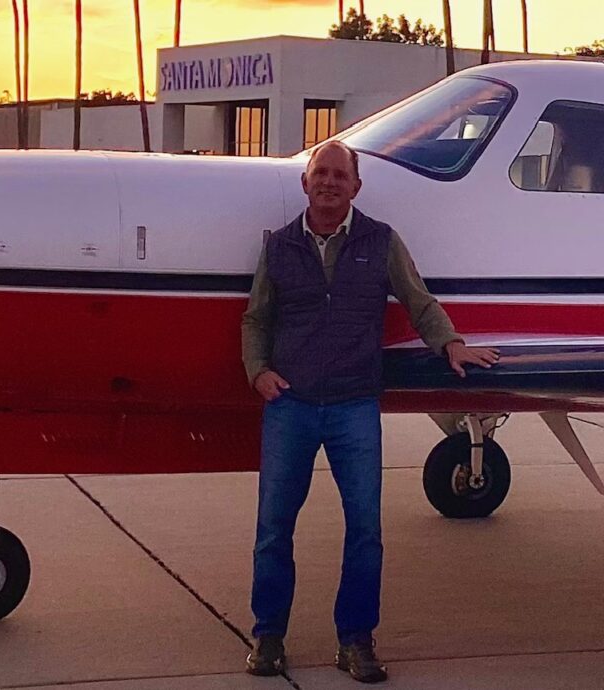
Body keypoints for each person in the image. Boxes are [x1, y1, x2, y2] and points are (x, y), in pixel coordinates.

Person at [240, 140, 499, 683]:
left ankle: (355, 640)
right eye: (320, 174)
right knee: (273, 529)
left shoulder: (380, 242)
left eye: (340, 175)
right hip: (291, 404)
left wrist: (451, 344)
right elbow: (256, 319)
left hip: (354, 406)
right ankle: (268, 635)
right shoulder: (281, 246)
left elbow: (418, 300)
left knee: (364, 530)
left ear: (356, 186)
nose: (329, 182)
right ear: (305, 182)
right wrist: (258, 371)